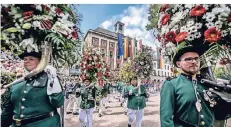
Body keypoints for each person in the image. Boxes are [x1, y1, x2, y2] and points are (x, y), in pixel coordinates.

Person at [160, 46, 231, 127]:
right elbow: (166, 118)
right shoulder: (172, 84)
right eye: (188, 59)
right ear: (178, 64)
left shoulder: (207, 83)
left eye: (196, 59)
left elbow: (219, 113)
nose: (194, 61)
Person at [1, 51, 64, 127]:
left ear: (40, 62)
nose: (27, 61)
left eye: (31, 59)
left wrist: (53, 79)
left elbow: (58, 103)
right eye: (25, 59)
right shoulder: (16, 84)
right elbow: (7, 111)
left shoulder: (50, 79)